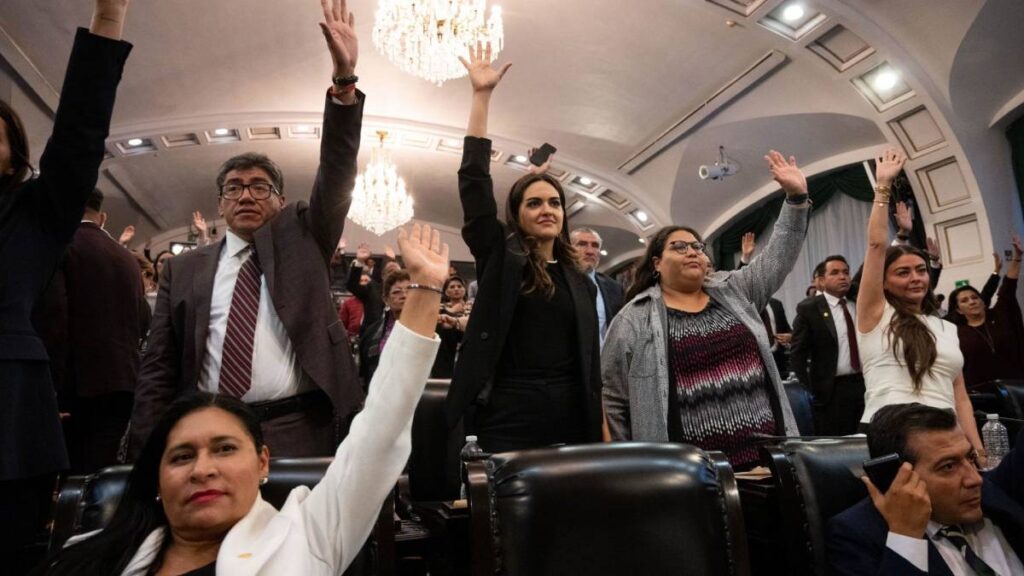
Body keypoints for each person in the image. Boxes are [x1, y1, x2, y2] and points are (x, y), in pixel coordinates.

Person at [36, 222, 449, 576]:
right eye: (181, 456)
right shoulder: (90, 558)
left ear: (263, 462)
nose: (203, 470)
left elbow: (382, 426)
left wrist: (427, 289)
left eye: (225, 448)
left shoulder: (308, 536)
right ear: (156, 478)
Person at [129, 0, 365, 460]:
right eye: (234, 188)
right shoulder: (185, 269)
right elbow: (158, 366)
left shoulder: (304, 238)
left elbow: (336, 169)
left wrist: (344, 82)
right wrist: (145, 455)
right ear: (220, 203)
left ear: (280, 201)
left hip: (301, 428)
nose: (247, 196)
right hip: (210, 431)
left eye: (261, 187)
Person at [0, 1, 133, 571]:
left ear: (12, 157)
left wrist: (108, 20)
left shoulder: (33, 213)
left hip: (6, 410)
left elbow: (79, 131)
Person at [602, 150, 809, 468]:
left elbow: (778, 256)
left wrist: (795, 200)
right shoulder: (633, 318)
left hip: (766, 462)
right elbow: (613, 399)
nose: (692, 252)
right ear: (657, 263)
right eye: (679, 247)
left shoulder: (736, 291)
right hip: (689, 474)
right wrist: (632, 464)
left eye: (698, 247)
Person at [444, 43, 603, 452]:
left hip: (572, 411)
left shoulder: (580, 281)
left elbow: (589, 364)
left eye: (554, 203)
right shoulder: (502, 255)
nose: (547, 209)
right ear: (516, 214)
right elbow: (474, 183)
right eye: (534, 203)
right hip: (510, 408)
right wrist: (481, 97)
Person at [855, 149, 982, 458]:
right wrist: (883, 186)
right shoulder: (875, 315)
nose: (916, 278)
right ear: (883, 281)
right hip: (893, 438)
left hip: (947, 439)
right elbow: (875, 244)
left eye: (921, 271)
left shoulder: (947, 327)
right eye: (903, 272)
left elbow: (960, 396)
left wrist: (976, 449)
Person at [827, 403, 1024, 576]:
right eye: (948, 466)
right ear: (898, 478)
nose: (975, 479)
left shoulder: (996, 490)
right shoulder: (858, 536)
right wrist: (906, 537)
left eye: (970, 458)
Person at [41, 188, 150, 473]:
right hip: (124, 382)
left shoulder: (59, 246)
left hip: (76, 386)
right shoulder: (127, 258)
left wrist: (49, 389)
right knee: (100, 472)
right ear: (101, 216)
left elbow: (54, 323)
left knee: (68, 476)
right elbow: (141, 320)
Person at [791, 254, 866, 436]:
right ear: (822, 281)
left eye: (846, 272)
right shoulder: (810, 308)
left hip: (865, 385)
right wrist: (807, 390)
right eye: (835, 273)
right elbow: (798, 354)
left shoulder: (859, 301)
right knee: (838, 444)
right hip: (831, 392)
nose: (843, 277)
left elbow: (869, 268)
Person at [946, 235, 1024, 390]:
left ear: (982, 301)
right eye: (964, 300)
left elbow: (1008, 288)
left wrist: (1017, 258)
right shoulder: (954, 332)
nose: (972, 301)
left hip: (1017, 387)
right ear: (958, 310)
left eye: (975, 297)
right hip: (981, 395)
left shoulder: (1000, 316)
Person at [739, 232, 792, 374]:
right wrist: (745, 258)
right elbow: (739, 284)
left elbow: (786, 329)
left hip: (779, 362)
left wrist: (789, 337)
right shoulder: (744, 304)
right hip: (755, 362)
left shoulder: (776, 304)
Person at [571, 227, 625, 348]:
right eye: (582, 244)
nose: (590, 251)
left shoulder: (614, 288)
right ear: (569, 250)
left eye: (595, 245)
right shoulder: (557, 281)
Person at [360, 270, 410, 385]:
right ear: (386, 299)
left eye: (409, 291)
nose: (404, 295)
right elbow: (364, 371)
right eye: (397, 292)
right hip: (379, 390)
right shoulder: (371, 333)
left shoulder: (427, 328)